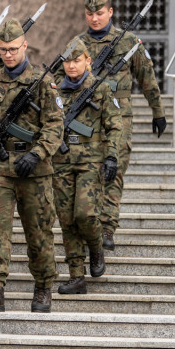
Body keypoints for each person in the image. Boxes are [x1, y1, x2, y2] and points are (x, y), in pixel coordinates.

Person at [76, 0, 165, 250]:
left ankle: (107, 228)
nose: (95, 18)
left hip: (120, 116)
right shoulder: (78, 44)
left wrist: (158, 111)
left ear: (110, 11)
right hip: (88, 118)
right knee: (90, 172)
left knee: (114, 171)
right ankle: (89, 225)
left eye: (100, 12)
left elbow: (147, 78)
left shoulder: (128, 41)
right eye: (90, 13)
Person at [0, 19, 63, 312]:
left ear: (25, 45)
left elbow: (55, 124)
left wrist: (38, 152)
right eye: (3, 50)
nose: (8, 55)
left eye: (13, 49)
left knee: (39, 231)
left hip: (35, 170)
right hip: (1, 168)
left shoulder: (42, 81)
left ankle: (43, 286)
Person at [52, 39, 122, 295]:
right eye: (68, 61)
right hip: (61, 162)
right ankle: (76, 276)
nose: (71, 65)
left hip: (90, 161)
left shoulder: (101, 89)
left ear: (88, 61)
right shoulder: (54, 90)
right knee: (67, 221)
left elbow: (115, 125)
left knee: (85, 214)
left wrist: (112, 156)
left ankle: (95, 247)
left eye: (77, 60)